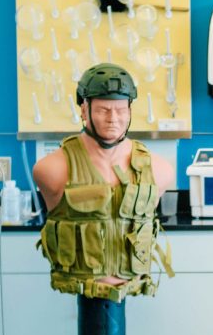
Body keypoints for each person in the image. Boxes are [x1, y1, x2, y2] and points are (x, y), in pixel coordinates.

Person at [33, 62, 175, 301]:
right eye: (103, 110)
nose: (113, 119)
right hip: (76, 290)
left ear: (130, 111)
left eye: (120, 110)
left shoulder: (159, 169)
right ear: (84, 109)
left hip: (132, 288)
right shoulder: (51, 169)